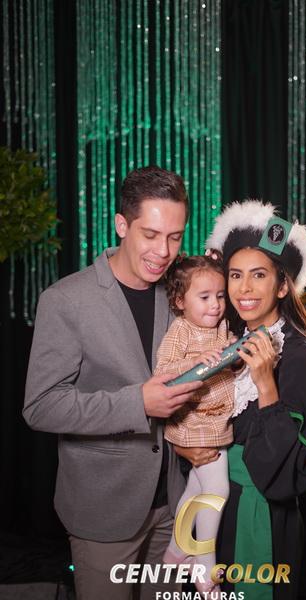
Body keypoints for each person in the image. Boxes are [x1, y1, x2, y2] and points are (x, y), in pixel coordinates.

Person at [23, 166, 208, 600]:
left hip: (174, 505)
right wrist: (138, 403)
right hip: (103, 510)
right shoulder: (65, 300)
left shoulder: (179, 292)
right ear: (122, 225)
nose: (164, 251)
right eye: (151, 234)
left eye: (175, 237)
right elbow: (41, 406)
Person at [175, 200, 306, 600]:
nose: (244, 288)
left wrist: (266, 385)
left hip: (259, 521)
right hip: (214, 511)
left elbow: (288, 478)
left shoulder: (300, 357)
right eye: (235, 275)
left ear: (282, 286)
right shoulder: (227, 339)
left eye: (259, 275)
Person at [154, 252, 235, 594]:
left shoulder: (221, 326)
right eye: (204, 297)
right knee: (218, 491)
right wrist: (194, 362)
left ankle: (176, 551)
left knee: (197, 490)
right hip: (194, 423)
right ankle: (204, 566)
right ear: (179, 302)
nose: (215, 305)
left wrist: (235, 352)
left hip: (218, 421)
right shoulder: (181, 330)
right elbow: (162, 373)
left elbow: (227, 362)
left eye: (219, 296)